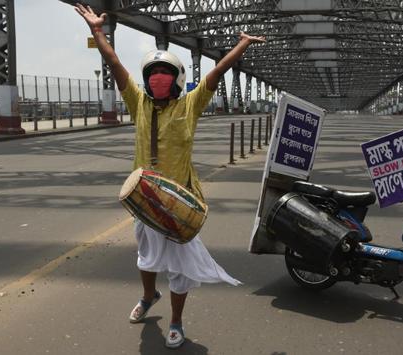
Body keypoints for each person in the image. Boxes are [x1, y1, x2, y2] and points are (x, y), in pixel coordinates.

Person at [75, 3, 265, 349]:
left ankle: (177, 321)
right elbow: (115, 65)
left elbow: (217, 72)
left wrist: (242, 44)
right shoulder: (138, 103)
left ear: (176, 80)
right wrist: (97, 31)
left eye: (163, 74)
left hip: (180, 201)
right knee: (146, 259)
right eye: (152, 75)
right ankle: (149, 297)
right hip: (144, 199)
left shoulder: (189, 105)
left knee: (179, 268)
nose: (157, 79)